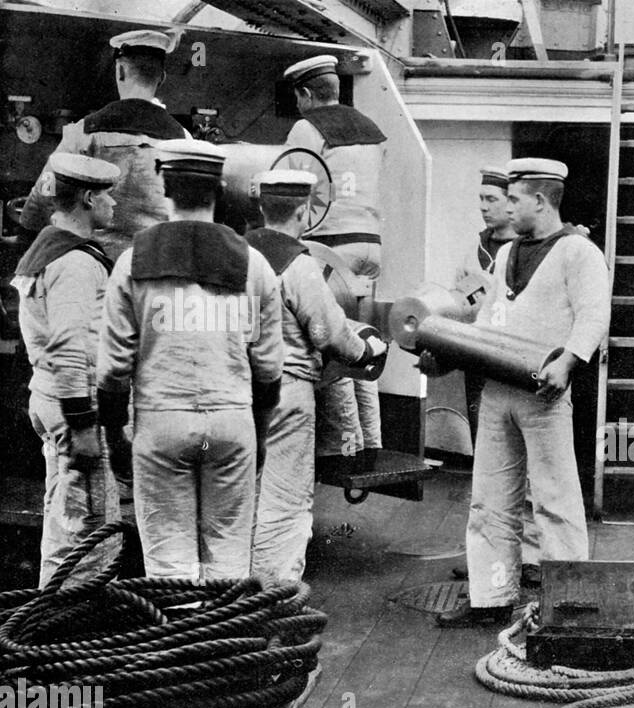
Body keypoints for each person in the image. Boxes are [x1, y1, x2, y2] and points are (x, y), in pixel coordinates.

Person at [97, 139, 283, 580]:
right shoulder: (254, 264)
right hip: (232, 421)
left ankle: (183, 645)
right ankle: (225, 645)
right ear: (219, 188)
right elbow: (270, 367)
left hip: (162, 423)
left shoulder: (131, 261)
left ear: (165, 186)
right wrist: (257, 430)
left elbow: (112, 367)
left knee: (168, 562)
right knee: (230, 558)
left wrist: (113, 433)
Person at [437, 158, 610, 627]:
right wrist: (449, 342)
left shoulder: (579, 252)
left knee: (555, 499)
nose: (506, 207)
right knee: (489, 498)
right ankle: (490, 598)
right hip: (498, 390)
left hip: (545, 395)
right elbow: (491, 315)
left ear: (540, 199)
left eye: (513, 198)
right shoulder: (510, 253)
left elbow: (594, 315)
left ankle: (569, 602)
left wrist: (569, 362)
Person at [246, 169, 387, 584]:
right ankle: (274, 598)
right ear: (305, 211)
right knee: (285, 501)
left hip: (239, 392)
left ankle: (237, 594)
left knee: (244, 496)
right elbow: (330, 333)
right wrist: (367, 350)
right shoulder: (298, 263)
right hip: (287, 394)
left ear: (260, 207)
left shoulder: (236, 255)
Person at [12, 154, 123, 586]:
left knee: (65, 523)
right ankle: (75, 635)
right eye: (109, 197)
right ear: (90, 198)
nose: (114, 206)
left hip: (51, 397)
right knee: (90, 532)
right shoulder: (76, 263)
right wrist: (82, 425)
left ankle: (52, 629)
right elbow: (70, 345)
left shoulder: (47, 249)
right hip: (74, 406)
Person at [442, 165, 542, 588]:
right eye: (480, 199)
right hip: (480, 365)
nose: (483, 208)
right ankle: (489, 552)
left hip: (519, 367)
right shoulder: (475, 250)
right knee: (487, 462)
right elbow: (459, 301)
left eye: (492, 200)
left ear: (512, 202)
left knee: (531, 461)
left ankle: (533, 553)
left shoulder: (530, 248)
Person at [282, 54, 387, 459]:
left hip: (330, 248)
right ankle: (372, 443)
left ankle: (345, 448)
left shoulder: (306, 128)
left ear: (307, 94)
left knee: (332, 347)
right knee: (362, 338)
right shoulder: (374, 132)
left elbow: (296, 189)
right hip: (370, 246)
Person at [21, 30, 188, 262]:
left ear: (120, 72)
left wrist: (32, 227)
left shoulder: (85, 130)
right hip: (156, 267)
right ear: (162, 77)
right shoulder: (184, 140)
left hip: (98, 266)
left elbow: (43, 195)